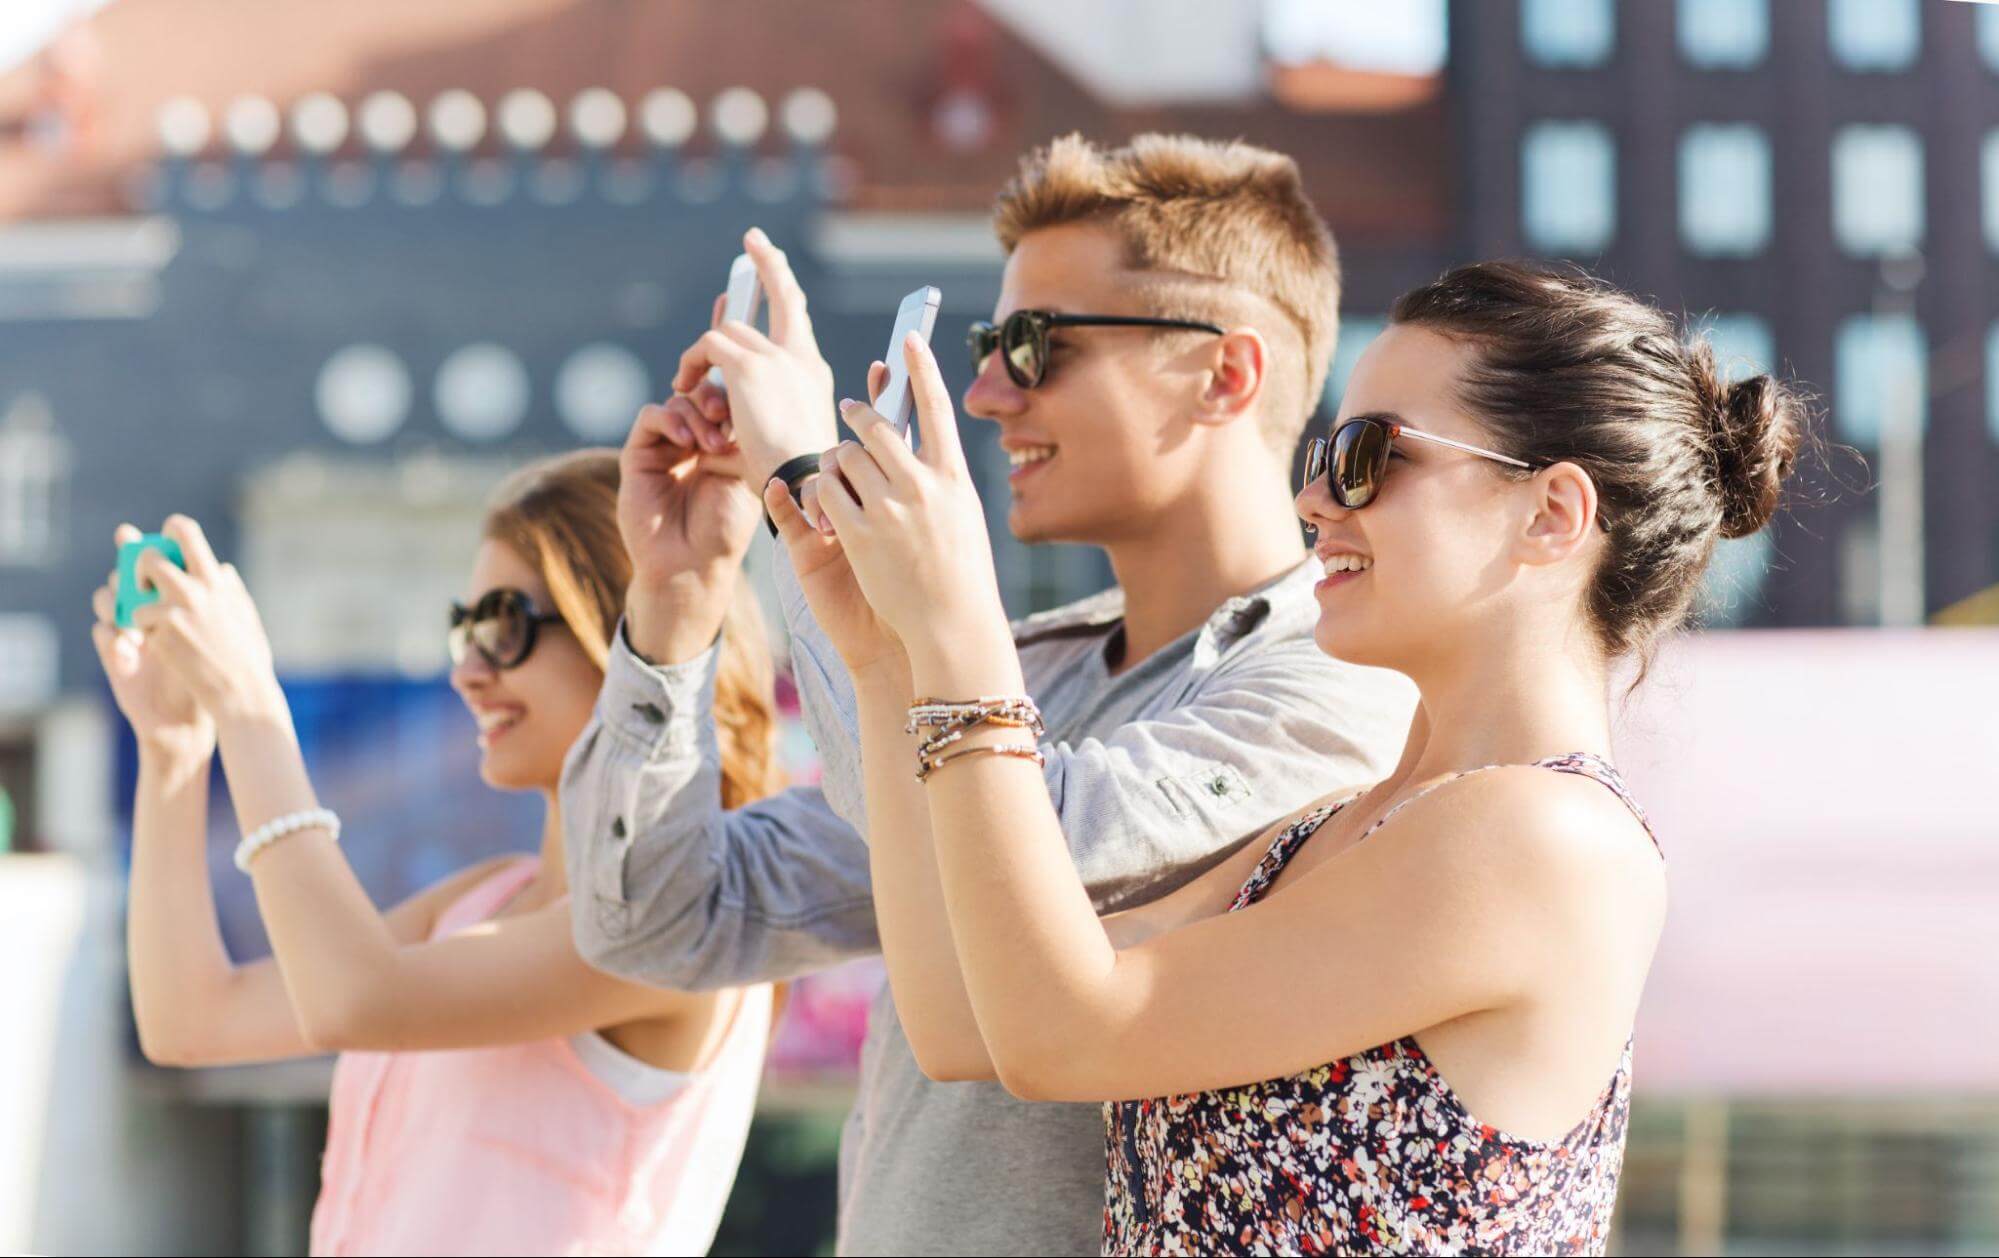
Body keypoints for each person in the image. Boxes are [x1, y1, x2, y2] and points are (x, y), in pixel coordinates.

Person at [764, 259, 1805, 1255]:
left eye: (1367, 457)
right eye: (1321, 459)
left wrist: (962, 640)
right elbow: (964, 1024)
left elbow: (1061, 1035)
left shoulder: (1543, 836)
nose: (1316, 501)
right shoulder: (1343, 826)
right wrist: (882, 661)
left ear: (1551, 513)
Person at [563, 134, 1416, 1254]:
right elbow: (662, 924)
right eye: (983, 343)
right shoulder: (1009, 666)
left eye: (1034, 344)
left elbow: (1023, 838)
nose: (984, 392)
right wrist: (677, 604)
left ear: (1226, 373)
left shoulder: (1346, 680)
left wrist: (806, 503)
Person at [93, 450, 781, 1257]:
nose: (467, 671)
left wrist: (250, 707)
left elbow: (355, 1001)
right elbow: (191, 1023)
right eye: (466, 630)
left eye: (505, 625)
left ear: (629, 636)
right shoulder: (485, 901)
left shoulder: (678, 922)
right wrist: (174, 751)